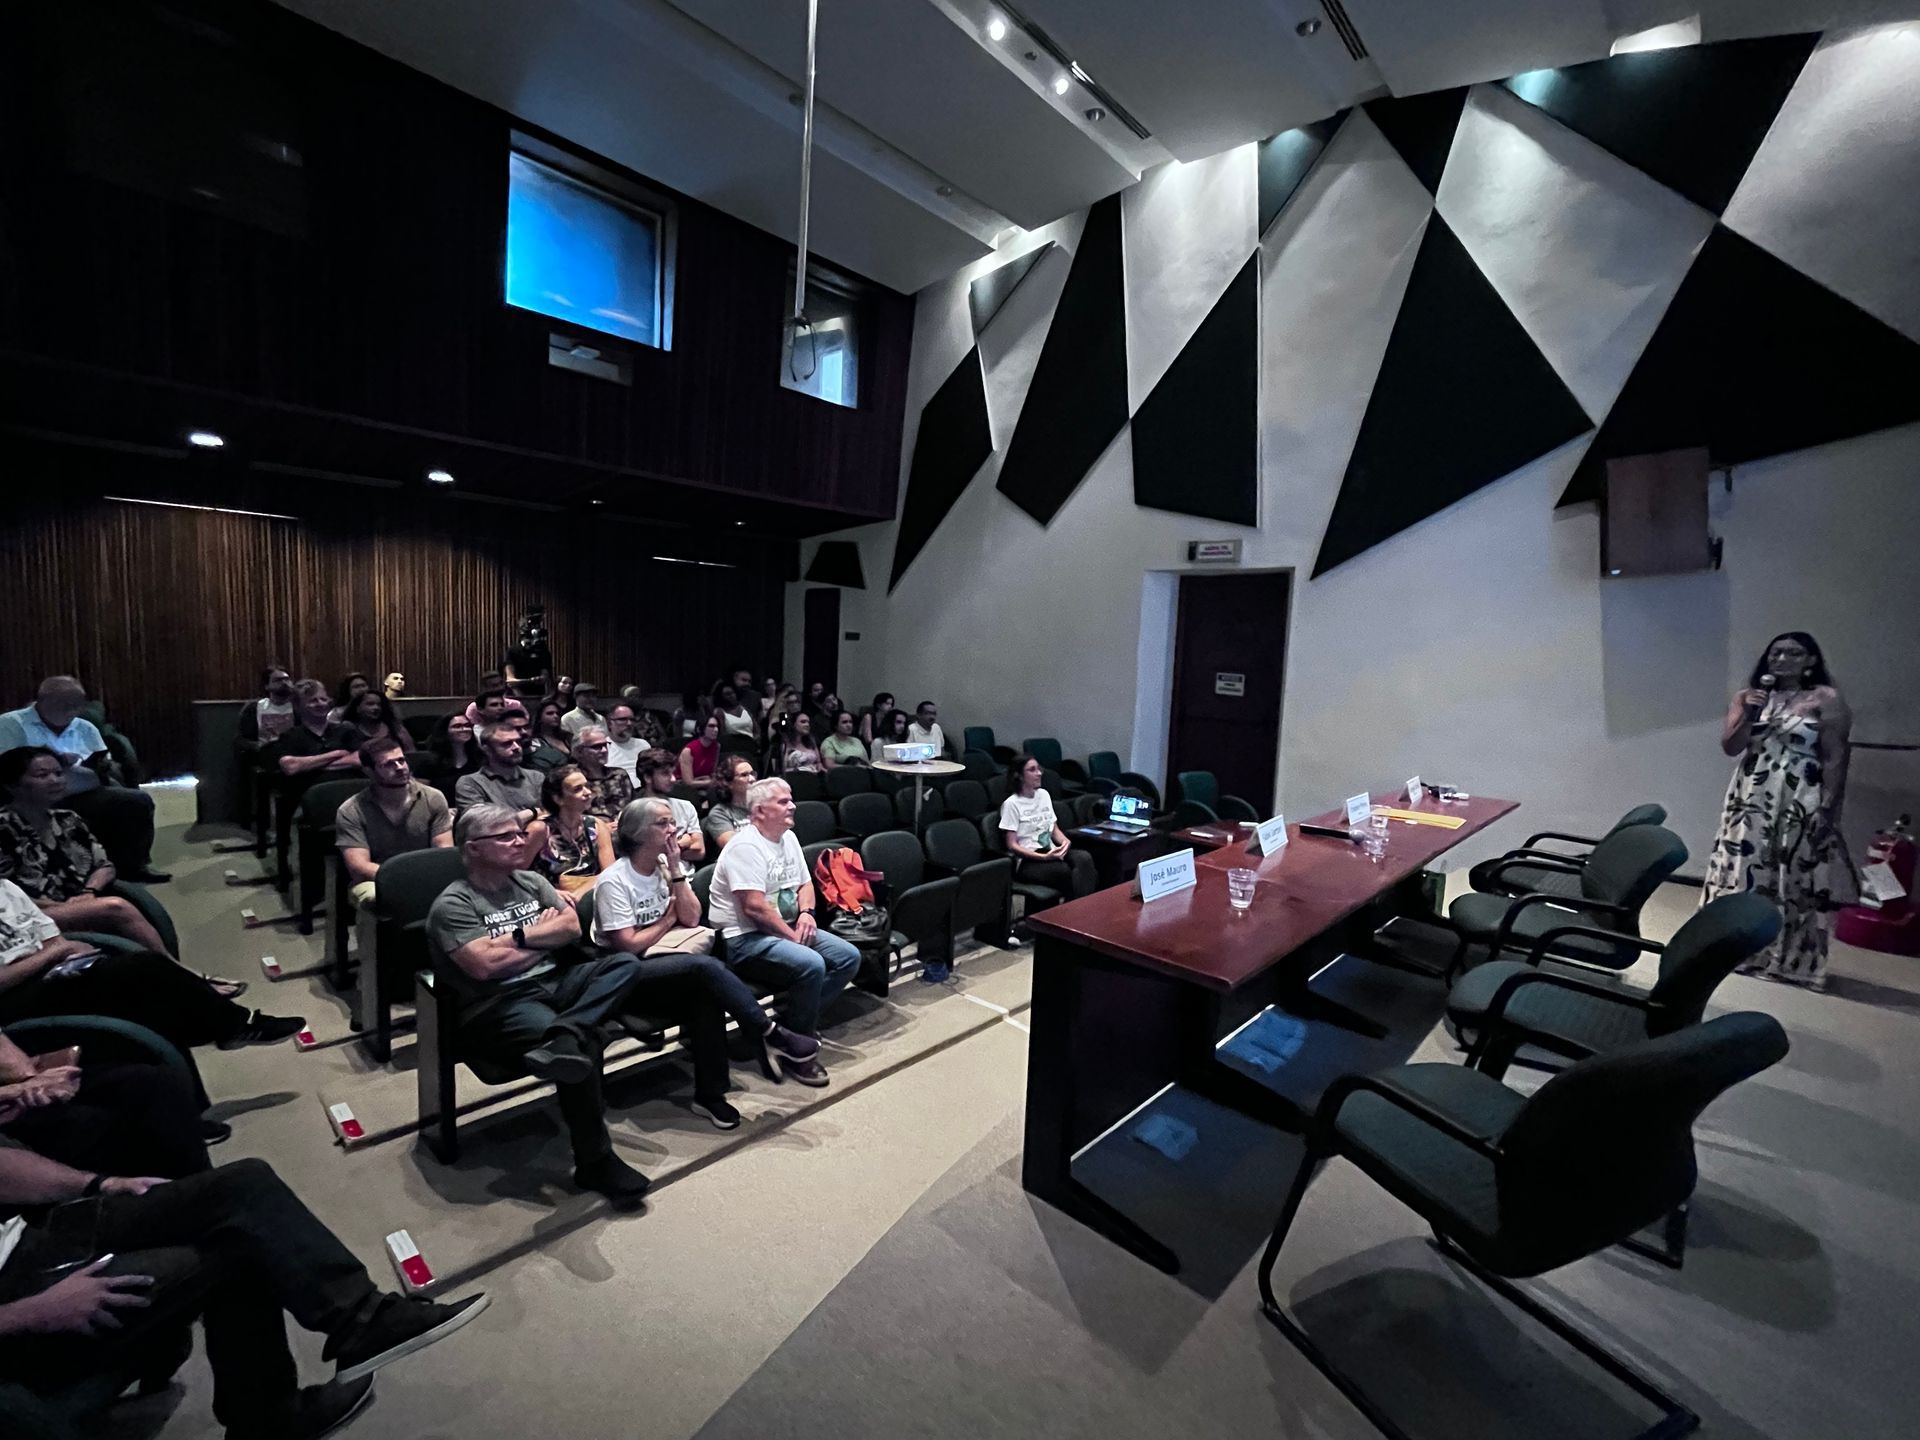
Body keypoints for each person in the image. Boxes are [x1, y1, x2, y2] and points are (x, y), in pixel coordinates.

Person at [0, 1144, 489, 1439]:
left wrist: (99, 1182)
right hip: (21, 1304)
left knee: (244, 1185)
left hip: (34, 1236)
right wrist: (29, 1313)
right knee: (238, 1244)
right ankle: (270, 1417)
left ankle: (361, 1320)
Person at [426, 805, 652, 1201]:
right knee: (583, 1049)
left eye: (519, 833)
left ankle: (565, 1030)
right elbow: (484, 967)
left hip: (556, 982)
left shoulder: (530, 880)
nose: (520, 840)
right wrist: (534, 934)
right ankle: (595, 1163)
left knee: (623, 965)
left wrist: (514, 940)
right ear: (473, 848)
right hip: (499, 1002)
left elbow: (570, 927)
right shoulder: (454, 905)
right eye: (506, 836)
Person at [592, 798, 819, 1128]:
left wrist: (673, 868)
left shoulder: (664, 867)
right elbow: (627, 946)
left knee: (707, 997)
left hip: (668, 964)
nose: (674, 829)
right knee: (705, 968)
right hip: (626, 975)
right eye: (663, 823)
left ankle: (710, 1096)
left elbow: (692, 916)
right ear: (637, 833)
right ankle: (767, 1032)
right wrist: (667, 921)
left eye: (673, 822)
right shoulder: (615, 880)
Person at [0, 872, 304, 1081]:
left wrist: (60, 953)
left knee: (155, 997)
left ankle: (196, 1097)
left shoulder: (7, 889)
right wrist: (54, 955)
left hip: (58, 972)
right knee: (144, 970)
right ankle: (236, 1024)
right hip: (18, 996)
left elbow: (53, 939)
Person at [1704, 631, 1853, 990]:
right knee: (1743, 867)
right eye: (1776, 653)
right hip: (1752, 792)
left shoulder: (1825, 699)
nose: (1781, 659)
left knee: (1795, 873)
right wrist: (1751, 712)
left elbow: (1836, 757)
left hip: (1800, 793)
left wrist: (1829, 807)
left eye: (1792, 653)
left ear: (1810, 661)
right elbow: (1731, 746)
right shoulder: (1749, 697)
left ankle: (1791, 961)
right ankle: (1737, 949)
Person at [0, 748, 229, 978]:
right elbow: (6, 895)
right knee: (115, 908)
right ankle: (183, 977)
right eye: (42, 775)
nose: (55, 780)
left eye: (59, 773)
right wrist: (63, 908)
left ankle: (171, 974)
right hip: (33, 916)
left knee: (125, 912)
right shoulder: (5, 828)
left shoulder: (67, 819)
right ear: (12, 785)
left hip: (81, 901)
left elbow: (105, 865)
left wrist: (90, 892)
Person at [707, 779, 860, 1086]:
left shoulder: (787, 836)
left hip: (785, 924)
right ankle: (798, 1051)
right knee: (812, 963)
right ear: (759, 811)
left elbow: (805, 884)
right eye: (782, 801)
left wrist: (806, 913)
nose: (792, 805)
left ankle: (787, 1029)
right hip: (743, 938)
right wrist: (793, 939)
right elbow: (754, 908)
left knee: (848, 957)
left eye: (791, 799)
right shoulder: (745, 847)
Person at [0, 677, 167, 883]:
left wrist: (100, 766)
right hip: (30, 797)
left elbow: (103, 762)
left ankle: (133, 866)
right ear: (42, 701)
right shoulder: (10, 723)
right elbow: (7, 768)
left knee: (136, 801)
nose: (71, 711)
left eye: (76, 705)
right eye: (64, 704)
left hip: (82, 790)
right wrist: (59, 762)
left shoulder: (85, 727)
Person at [334, 738, 452, 912]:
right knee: (386, 901)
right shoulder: (351, 810)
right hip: (375, 879)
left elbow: (443, 849)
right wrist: (404, 878)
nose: (400, 767)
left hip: (426, 873)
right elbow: (359, 865)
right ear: (369, 771)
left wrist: (425, 877)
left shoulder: (433, 798)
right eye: (388, 764)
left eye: (401, 760)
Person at [999, 756, 1095, 906]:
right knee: (1064, 872)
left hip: (1050, 850)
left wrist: (1065, 842)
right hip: (1029, 860)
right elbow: (1012, 845)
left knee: (1084, 858)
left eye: (1039, 769)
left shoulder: (1044, 795)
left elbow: (1054, 829)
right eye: (1032, 770)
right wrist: (1043, 858)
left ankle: (1079, 908)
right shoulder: (1011, 804)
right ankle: (1072, 911)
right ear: (1019, 775)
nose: (1039, 773)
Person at [453, 723, 545, 839]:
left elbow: (551, 815)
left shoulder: (536, 777)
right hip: (495, 848)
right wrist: (533, 812)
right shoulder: (470, 783)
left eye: (517, 741)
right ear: (486, 749)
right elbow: (484, 825)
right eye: (506, 744)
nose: (516, 747)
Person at [536, 765, 613, 893]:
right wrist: (550, 893)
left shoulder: (596, 825)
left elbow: (610, 873)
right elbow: (518, 874)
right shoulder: (540, 829)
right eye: (578, 789)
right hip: (554, 898)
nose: (588, 792)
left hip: (591, 894)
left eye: (586, 786)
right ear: (558, 799)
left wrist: (580, 893)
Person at [634, 748, 706, 864]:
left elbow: (699, 851)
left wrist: (661, 850)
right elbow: (640, 856)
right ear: (647, 777)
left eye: (672, 773)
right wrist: (682, 842)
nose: (673, 779)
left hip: (688, 877)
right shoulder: (633, 812)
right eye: (665, 773)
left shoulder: (686, 806)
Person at [569, 727, 633, 823]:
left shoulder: (620, 775)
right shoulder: (571, 778)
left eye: (605, 745)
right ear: (579, 751)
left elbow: (630, 807)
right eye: (596, 747)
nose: (604, 750)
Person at [702, 756, 757, 852]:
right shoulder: (720, 813)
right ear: (729, 783)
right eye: (744, 775)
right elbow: (733, 847)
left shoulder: (763, 806)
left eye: (752, 774)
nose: (752, 779)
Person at [338, 687, 416, 755]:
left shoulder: (394, 728)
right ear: (357, 708)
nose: (376, 708)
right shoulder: (348, 728)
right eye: (370, 704)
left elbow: (411, 753)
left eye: (379, 704)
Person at [237, 665, 296, 748]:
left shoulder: (298, 707)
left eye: (287, 679)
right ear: (267, 686)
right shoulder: (254, 708)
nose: (284, 683)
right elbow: (243, 739)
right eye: (278, 680)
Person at [503, 605, 552, 698]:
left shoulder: (542, 650)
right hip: (515, 697)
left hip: (538, 697)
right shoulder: (513, 650)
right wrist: (531, 681)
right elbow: (510, 681)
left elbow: (545, 678)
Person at [426, 713, 482, 787]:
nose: (464, 729)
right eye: (457, 726)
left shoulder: (481, 758)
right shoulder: (429, 763)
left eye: (467, 725)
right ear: (445, 731)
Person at [524, 697, 573, 772]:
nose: (555, 716)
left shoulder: (567, 737)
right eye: (550, 713)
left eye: (558, 713)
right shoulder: (534, 741)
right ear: (540, 718)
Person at [677, 712, 722, 794]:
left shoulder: (717, 746)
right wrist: (710, 782)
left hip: (704, 785)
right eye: (711, 726)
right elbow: (688, 783)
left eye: (717, 726)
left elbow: (713, 774)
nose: (716, 730)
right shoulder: (688, 750)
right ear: (700, 728)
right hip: (683, 789)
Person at [605, 703, 646, 783]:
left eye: (632, 720)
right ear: (609, 723)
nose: (629, 723)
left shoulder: (643, 745)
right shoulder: (601, 748)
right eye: (623, 719)